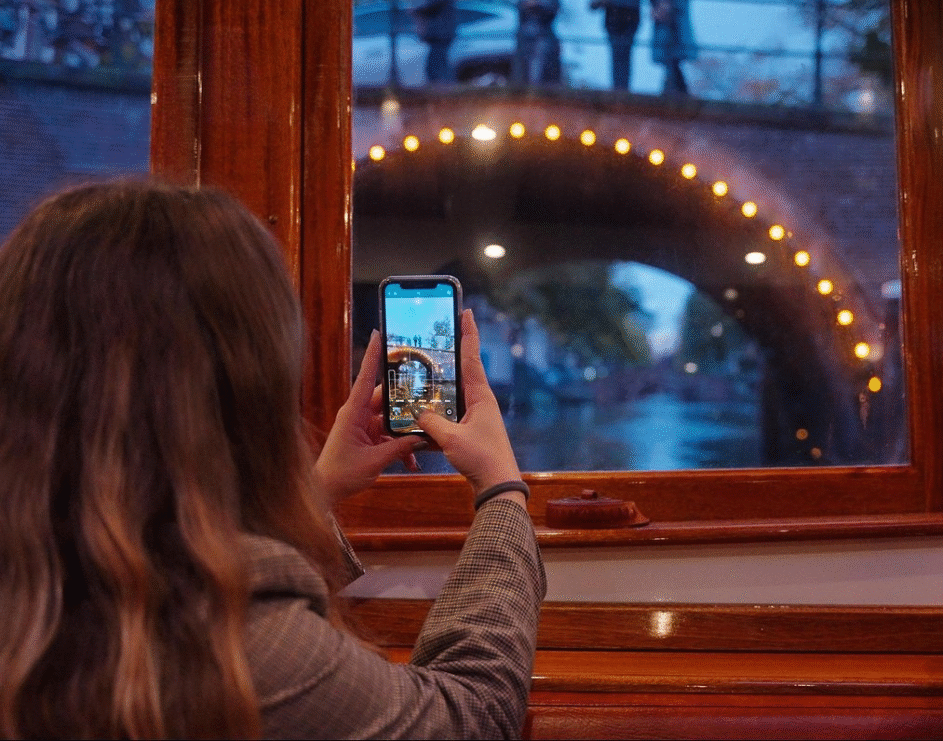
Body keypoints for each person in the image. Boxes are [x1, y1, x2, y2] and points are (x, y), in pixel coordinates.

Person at [0, 179, 545, 739]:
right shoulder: (231, 642)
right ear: (242, 388)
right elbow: (468, 716)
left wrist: (315, 493)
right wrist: (501, 490)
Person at [589, 0, 641, 91]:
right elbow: (594, 3)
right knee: (619, 54)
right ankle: (620, 91)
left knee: (621, 54)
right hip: (616, 15)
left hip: (625, 14)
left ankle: (621, 91)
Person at [650, 0, 695, 96]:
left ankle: (673, 89)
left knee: (673, 55)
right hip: (667, 15)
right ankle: (675, 89)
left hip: (674, 15)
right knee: (671, 55)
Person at [513, 0, 561, 87]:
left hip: (542, 38)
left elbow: (553, 10)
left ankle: (535, 91)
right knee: (521, 68)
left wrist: (538, 5)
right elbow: (519, 8)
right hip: (524, 38)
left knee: (537, 67)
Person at [412, 0, 457, 84]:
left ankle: (442, 86)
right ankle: (444, 86)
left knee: (435, 64)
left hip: (440, 34)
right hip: (441, 34)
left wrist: (416, 10)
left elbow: (431, 6)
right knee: (438, 62)